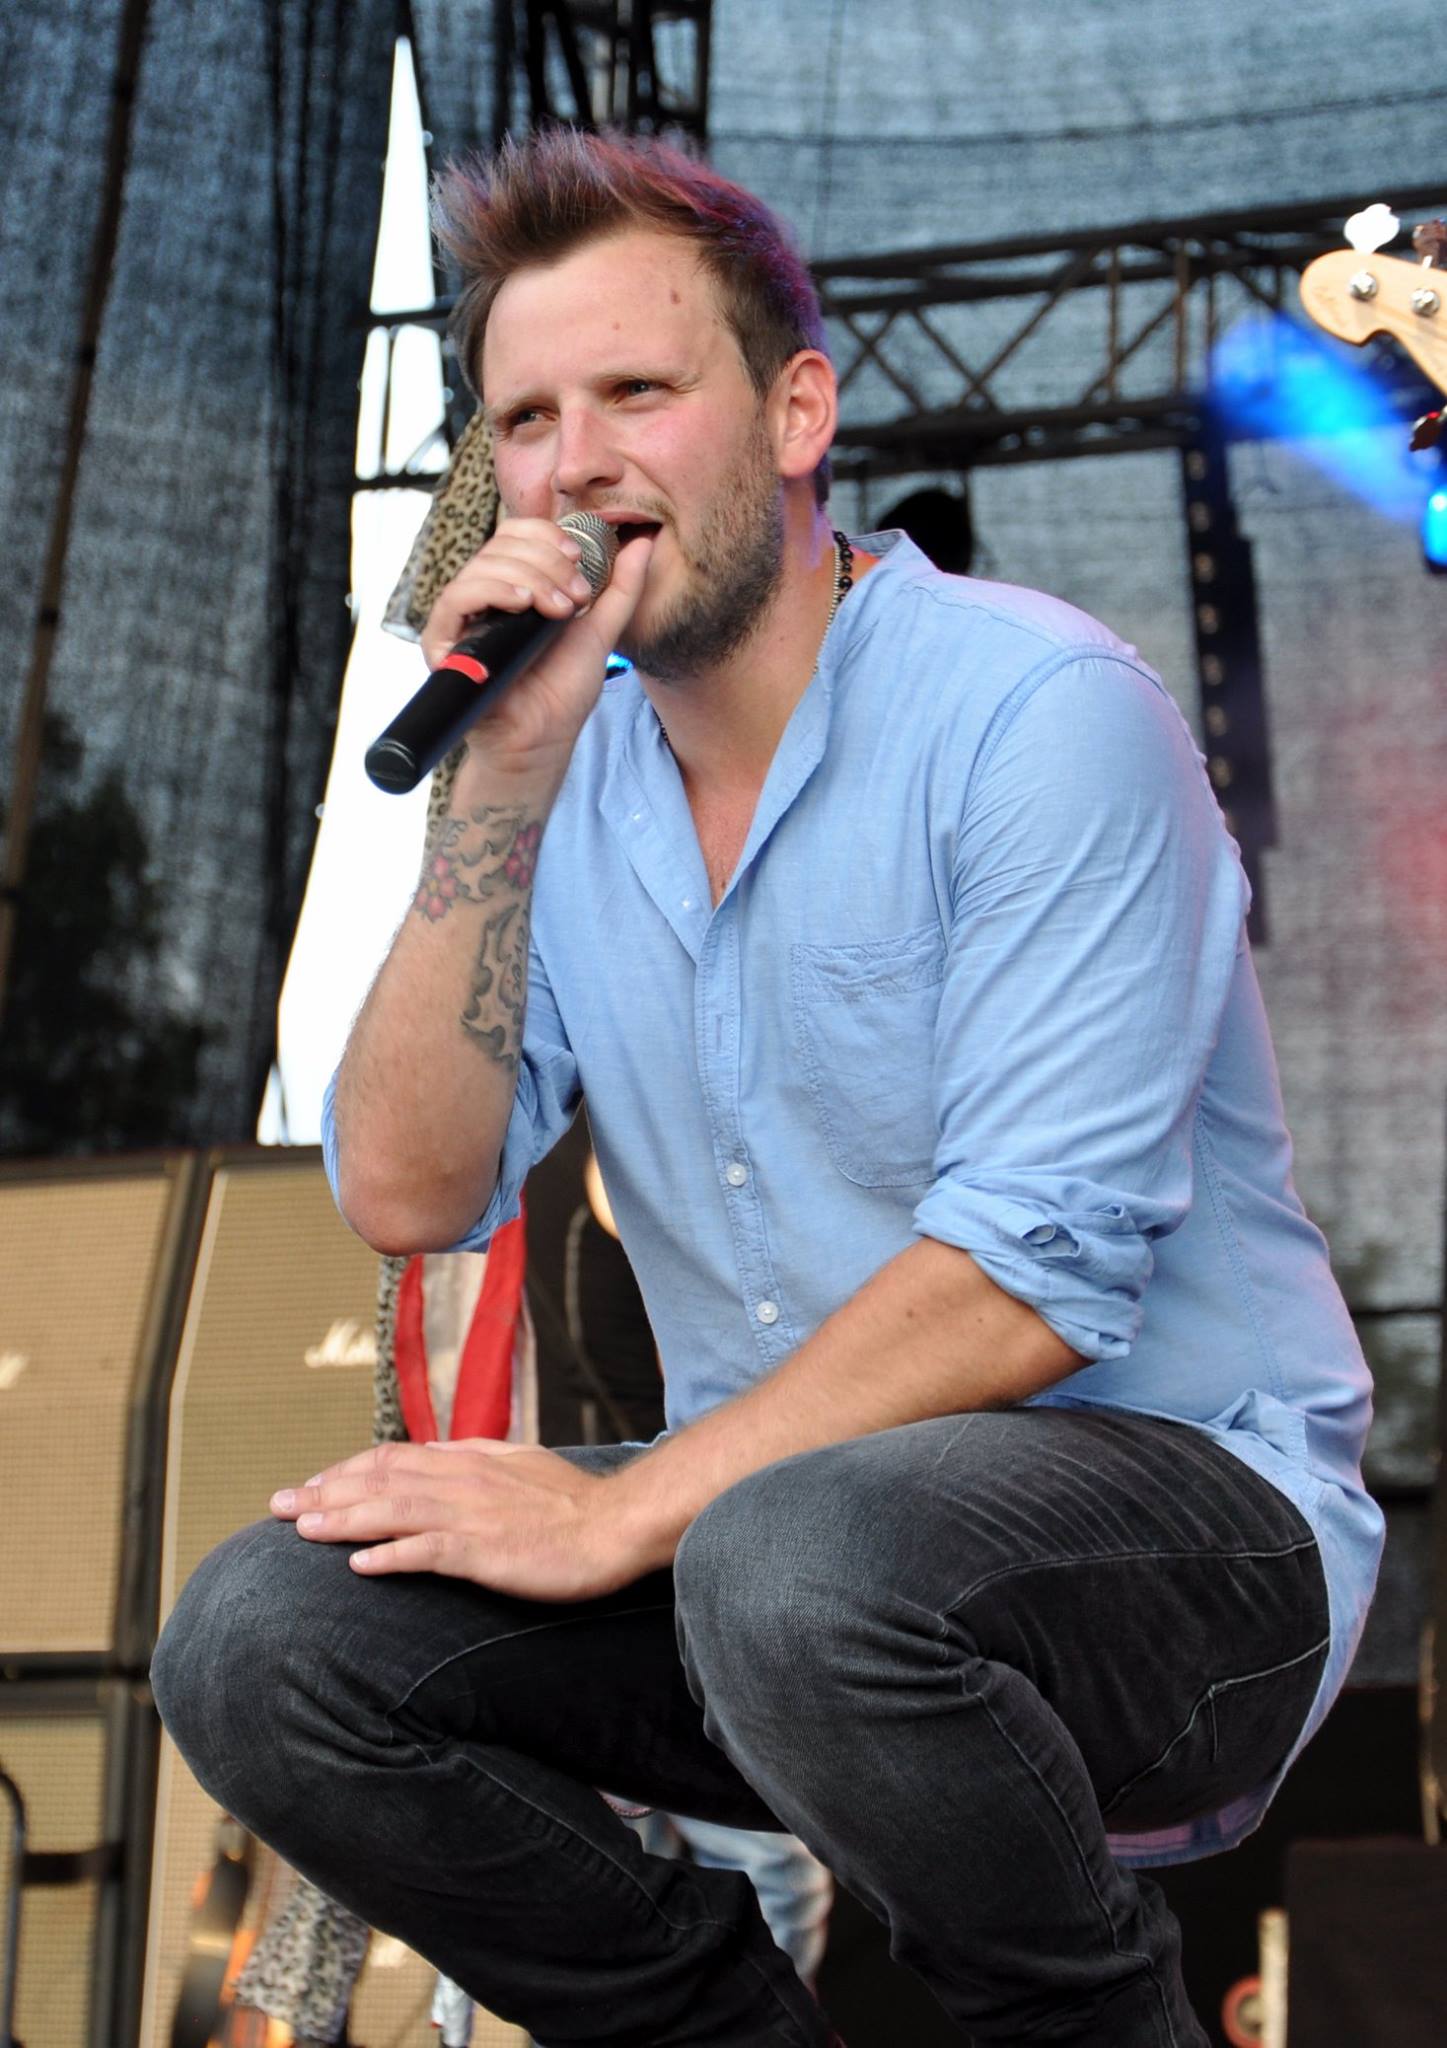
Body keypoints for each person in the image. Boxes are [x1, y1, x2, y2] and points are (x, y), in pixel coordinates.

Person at [152, 129, 1382, 2047]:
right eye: (529, 419)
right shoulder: (563, 777)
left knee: (782, 1552)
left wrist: (620, 1515)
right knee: (261, 1640)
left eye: (639, 392)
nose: (577, 462)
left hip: (1191, 1547)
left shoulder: (1038, 712)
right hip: (774, 1563)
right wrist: (493, 795)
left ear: (799, 414)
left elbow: (1032, 1273)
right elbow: (405, 1190)